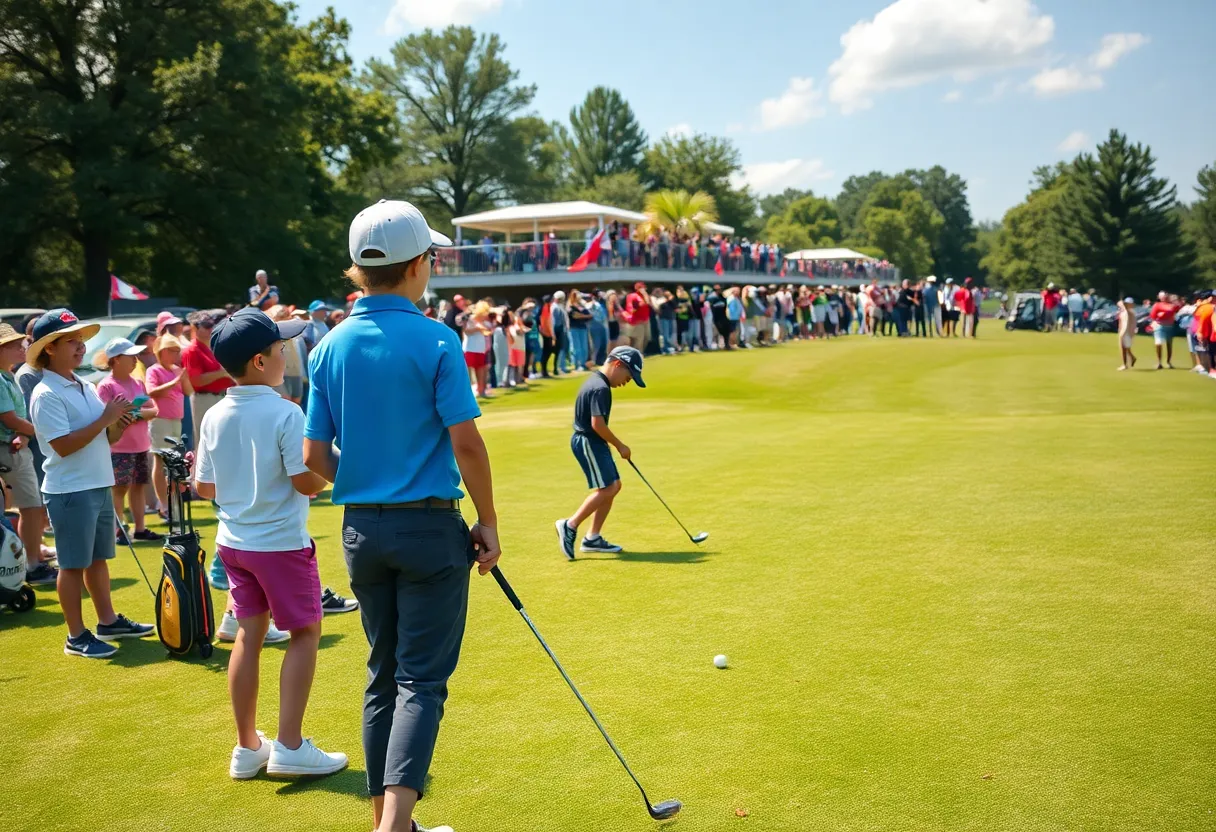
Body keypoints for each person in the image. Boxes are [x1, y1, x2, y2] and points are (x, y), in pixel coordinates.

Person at [304, 199, 500, 832]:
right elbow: (467, 443)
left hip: (362, 530)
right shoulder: (438, 338)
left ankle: (386, 822)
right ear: (419, 264)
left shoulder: (328, 346)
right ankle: (394, 828)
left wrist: (365, 484)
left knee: (382, 673)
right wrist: (489, 521)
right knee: (421, 681)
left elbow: (314, 456)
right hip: (429, 528)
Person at [193, 307, 347, 780]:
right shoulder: (286, 411)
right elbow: (306, 482)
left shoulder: (216, 413)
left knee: (248, 633)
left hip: (234, 543)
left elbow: (205, 487)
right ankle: (291, 746)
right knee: (304, 634)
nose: (286, 353)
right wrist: (329, 472)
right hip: (279, 543)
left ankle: (247, 748)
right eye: (280, 348)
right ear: (260, 361)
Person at [28, 309, 155, 658]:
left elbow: (106, 437)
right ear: (49, 348)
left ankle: (108, 621)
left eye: (81, 340)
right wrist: (106, 419)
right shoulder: (45, 393)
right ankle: (75, 636)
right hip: (70, 489)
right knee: (72, 565)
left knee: (98, 559)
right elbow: (63, 445)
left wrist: (118, 423)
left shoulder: (82, 384)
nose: (81, 347)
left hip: (97, 482)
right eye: (72, 341)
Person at [554, 346, 646, 560]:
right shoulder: (600, 388)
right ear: (617, 364)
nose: (628, 381)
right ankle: (570, 525)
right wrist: (620, 445)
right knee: (609, 487)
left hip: (593, 441)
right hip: (588, 440)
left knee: (614, 485)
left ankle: (593, 538)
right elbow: (598, 424)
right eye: (629, 375)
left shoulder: (598, 382)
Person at [0, 324, 56, 586]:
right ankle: (27, 565)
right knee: (28, 507)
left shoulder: (9, 375)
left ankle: (31, 562)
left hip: (15, 448)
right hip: (5, 451)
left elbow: (15, 420)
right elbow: (9, 418)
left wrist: (25, 435)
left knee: (31, 507)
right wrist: (40, 432)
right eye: (13, 345)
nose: (21, 347)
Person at [96, 338, 161, 544]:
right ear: (115, 360)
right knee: (119, 488)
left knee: (138, 487)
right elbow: (106, 416)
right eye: (130, 356)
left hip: (141, 445)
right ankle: (119, 530)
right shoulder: (106, 386)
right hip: (118, 447)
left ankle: (139, 529)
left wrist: (136, 414)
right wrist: (134, 413)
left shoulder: (138, 383)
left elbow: (154, 409)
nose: (135, 360)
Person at [144, 334, 192, 517]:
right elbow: (151, 391)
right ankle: (163, 504)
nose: (177, 355)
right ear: (163, 352)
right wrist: (174, 381)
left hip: (175, 420)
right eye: (174, 351)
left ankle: (172, 504)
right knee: (160, 459)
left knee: (174, 463)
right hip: (161, 420)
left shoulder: (175, 369)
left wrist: (183, 377)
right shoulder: (154, 370)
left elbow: (188, 391)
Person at [182, 310, 234, 448]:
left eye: (212, 324)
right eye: (206, 325)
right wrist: (222, 373)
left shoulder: (214, 347)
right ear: (194, 328)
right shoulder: (191, 350)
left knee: (224, 439)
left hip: (223, 396)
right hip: (204, 399)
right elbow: (196, 380)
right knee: (206, 441)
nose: (211, 328)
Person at [462, 301, 492, 398]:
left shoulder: (484, 322)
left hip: (480, 349)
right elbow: (466, 331)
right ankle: (467, 393)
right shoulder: (470, 320)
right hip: (470, 348)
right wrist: (477, 329)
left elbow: (488, 332)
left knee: (481, 370)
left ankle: (481, 391)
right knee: (468, 372)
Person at [1149, 291, 1181, 369]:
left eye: (1165, 296)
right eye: (1163, 296)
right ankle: (1159, 362)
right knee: (1158, 343)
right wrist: (1159, 316)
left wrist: (1175, 300)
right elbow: (1152, 315)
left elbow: (1178, 308)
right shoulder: (1157, 305)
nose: (1165, 297)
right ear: (1159, 297)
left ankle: (1168, 362)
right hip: (1159, 325)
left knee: (1169, 344)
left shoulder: (1172, 305)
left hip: (1169, 326)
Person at [623, 282, 651, 352]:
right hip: (637, 320)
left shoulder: (645, 296)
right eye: (642, 288)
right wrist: (644, 294)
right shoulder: (633, 296)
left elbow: (649, 303)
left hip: (645, 319)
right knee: (638, 340)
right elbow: (633, 308)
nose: (644, 289)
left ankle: (638, 353)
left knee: (647, 338)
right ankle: (637, 355)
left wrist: (645, 294)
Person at [1117, 297, 1138, 370]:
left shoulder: (1129, 312)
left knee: (1123, 348)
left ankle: (1124, 365)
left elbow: (1126, 324)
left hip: (1126, 332)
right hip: (1126, 332)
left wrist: (1122, 333)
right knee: (1126, 348)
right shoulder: (1126, 311)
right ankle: (1132, 358)